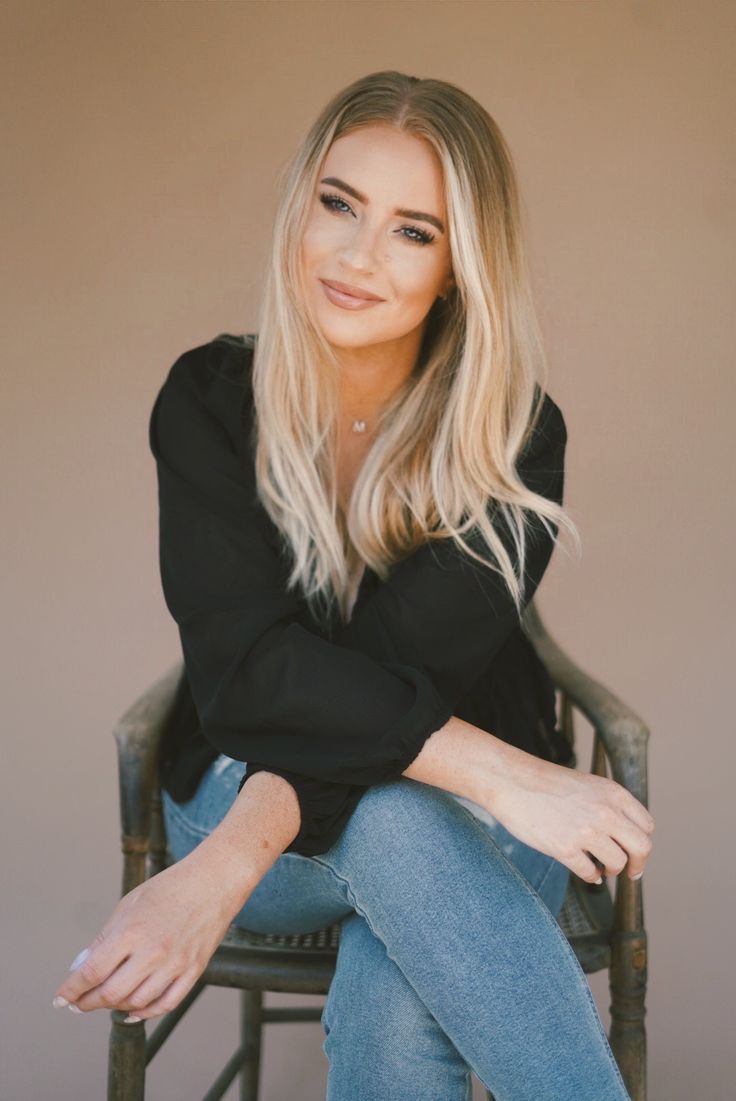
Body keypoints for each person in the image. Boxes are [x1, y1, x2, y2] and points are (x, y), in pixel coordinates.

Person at [53, 71, 654, 1100]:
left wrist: (220, 873)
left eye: (413, 231)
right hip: (268, 796)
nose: (358, 255)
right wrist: (507, 775)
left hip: (450, 826)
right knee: (400, 812)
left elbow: (380, 677)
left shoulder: (511, 433)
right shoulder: (209, 402)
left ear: (461, 264)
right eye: (339, 204)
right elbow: (251, 677)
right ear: (301, 204)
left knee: (400, 884)